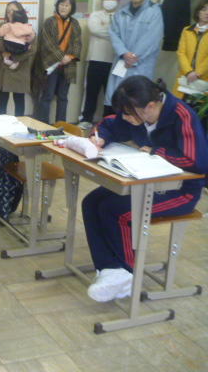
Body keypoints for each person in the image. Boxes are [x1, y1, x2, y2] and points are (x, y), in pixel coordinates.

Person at [84, 76, 208, 302]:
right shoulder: (136, 112)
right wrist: (98, 138)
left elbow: (196, 161)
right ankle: (110, 269)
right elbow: (110, 123)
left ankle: (127, 272)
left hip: (181, 192)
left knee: (118, 211)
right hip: (145, 183)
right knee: (92, 202)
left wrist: (155, 151)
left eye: (129, 114)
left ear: (150, 106)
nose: (125, 118)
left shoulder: (182, 116)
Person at [105, 0, 164, 110]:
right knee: (118, 98)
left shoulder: (154, 12)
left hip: (141, 64)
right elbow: (114, 34)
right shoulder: (121, 12)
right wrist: (124, 53)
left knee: (138, 101)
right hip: (122, 61)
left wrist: (133, 57)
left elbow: (152, 39)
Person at [32, 0, 82, 124]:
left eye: (67, 5)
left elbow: (77, 43)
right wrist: (61, 56)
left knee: (63, 97)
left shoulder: (75, 23)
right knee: (47, 95)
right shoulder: (49, 21)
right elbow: (47, 42)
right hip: (51, 64)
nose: (63, 7)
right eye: (61, 4)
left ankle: (61, 125)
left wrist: (69, 57)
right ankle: (43, 124)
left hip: (68, 65)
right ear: (57, 5)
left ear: (72, 8)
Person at [78, 0, 122, 128]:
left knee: (112, 94)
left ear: (118, 0)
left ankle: (108, 121)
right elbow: (95, 29)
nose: (110, 0)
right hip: (95, 59)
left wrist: (108, 28)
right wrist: (115, 32)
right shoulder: (95, 15)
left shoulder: (122, 16)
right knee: (91, 91)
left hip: (115, 61)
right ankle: (86, 119)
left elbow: (124, 33)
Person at [0, 1, 37, 117]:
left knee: (19, 100)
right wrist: (6, 51)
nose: (10, 13)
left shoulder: (28, 28)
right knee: (2, 101)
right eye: (8, 11)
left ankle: (19, 125)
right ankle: (2, 126)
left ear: (20, 12)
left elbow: (32, 49)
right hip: (3, 69)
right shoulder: (3, 26)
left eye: (13, 10)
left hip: (20, 68)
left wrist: (13, 56)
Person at [173, 0, 208, 97]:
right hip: (185, 76)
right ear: (198, 12)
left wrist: (197, 73)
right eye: (204, 9)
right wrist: (188, 72)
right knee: (180, 103)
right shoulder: (187, 30)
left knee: (198, 104)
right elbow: (181, 53)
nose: (207, 13)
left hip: (203, 78)